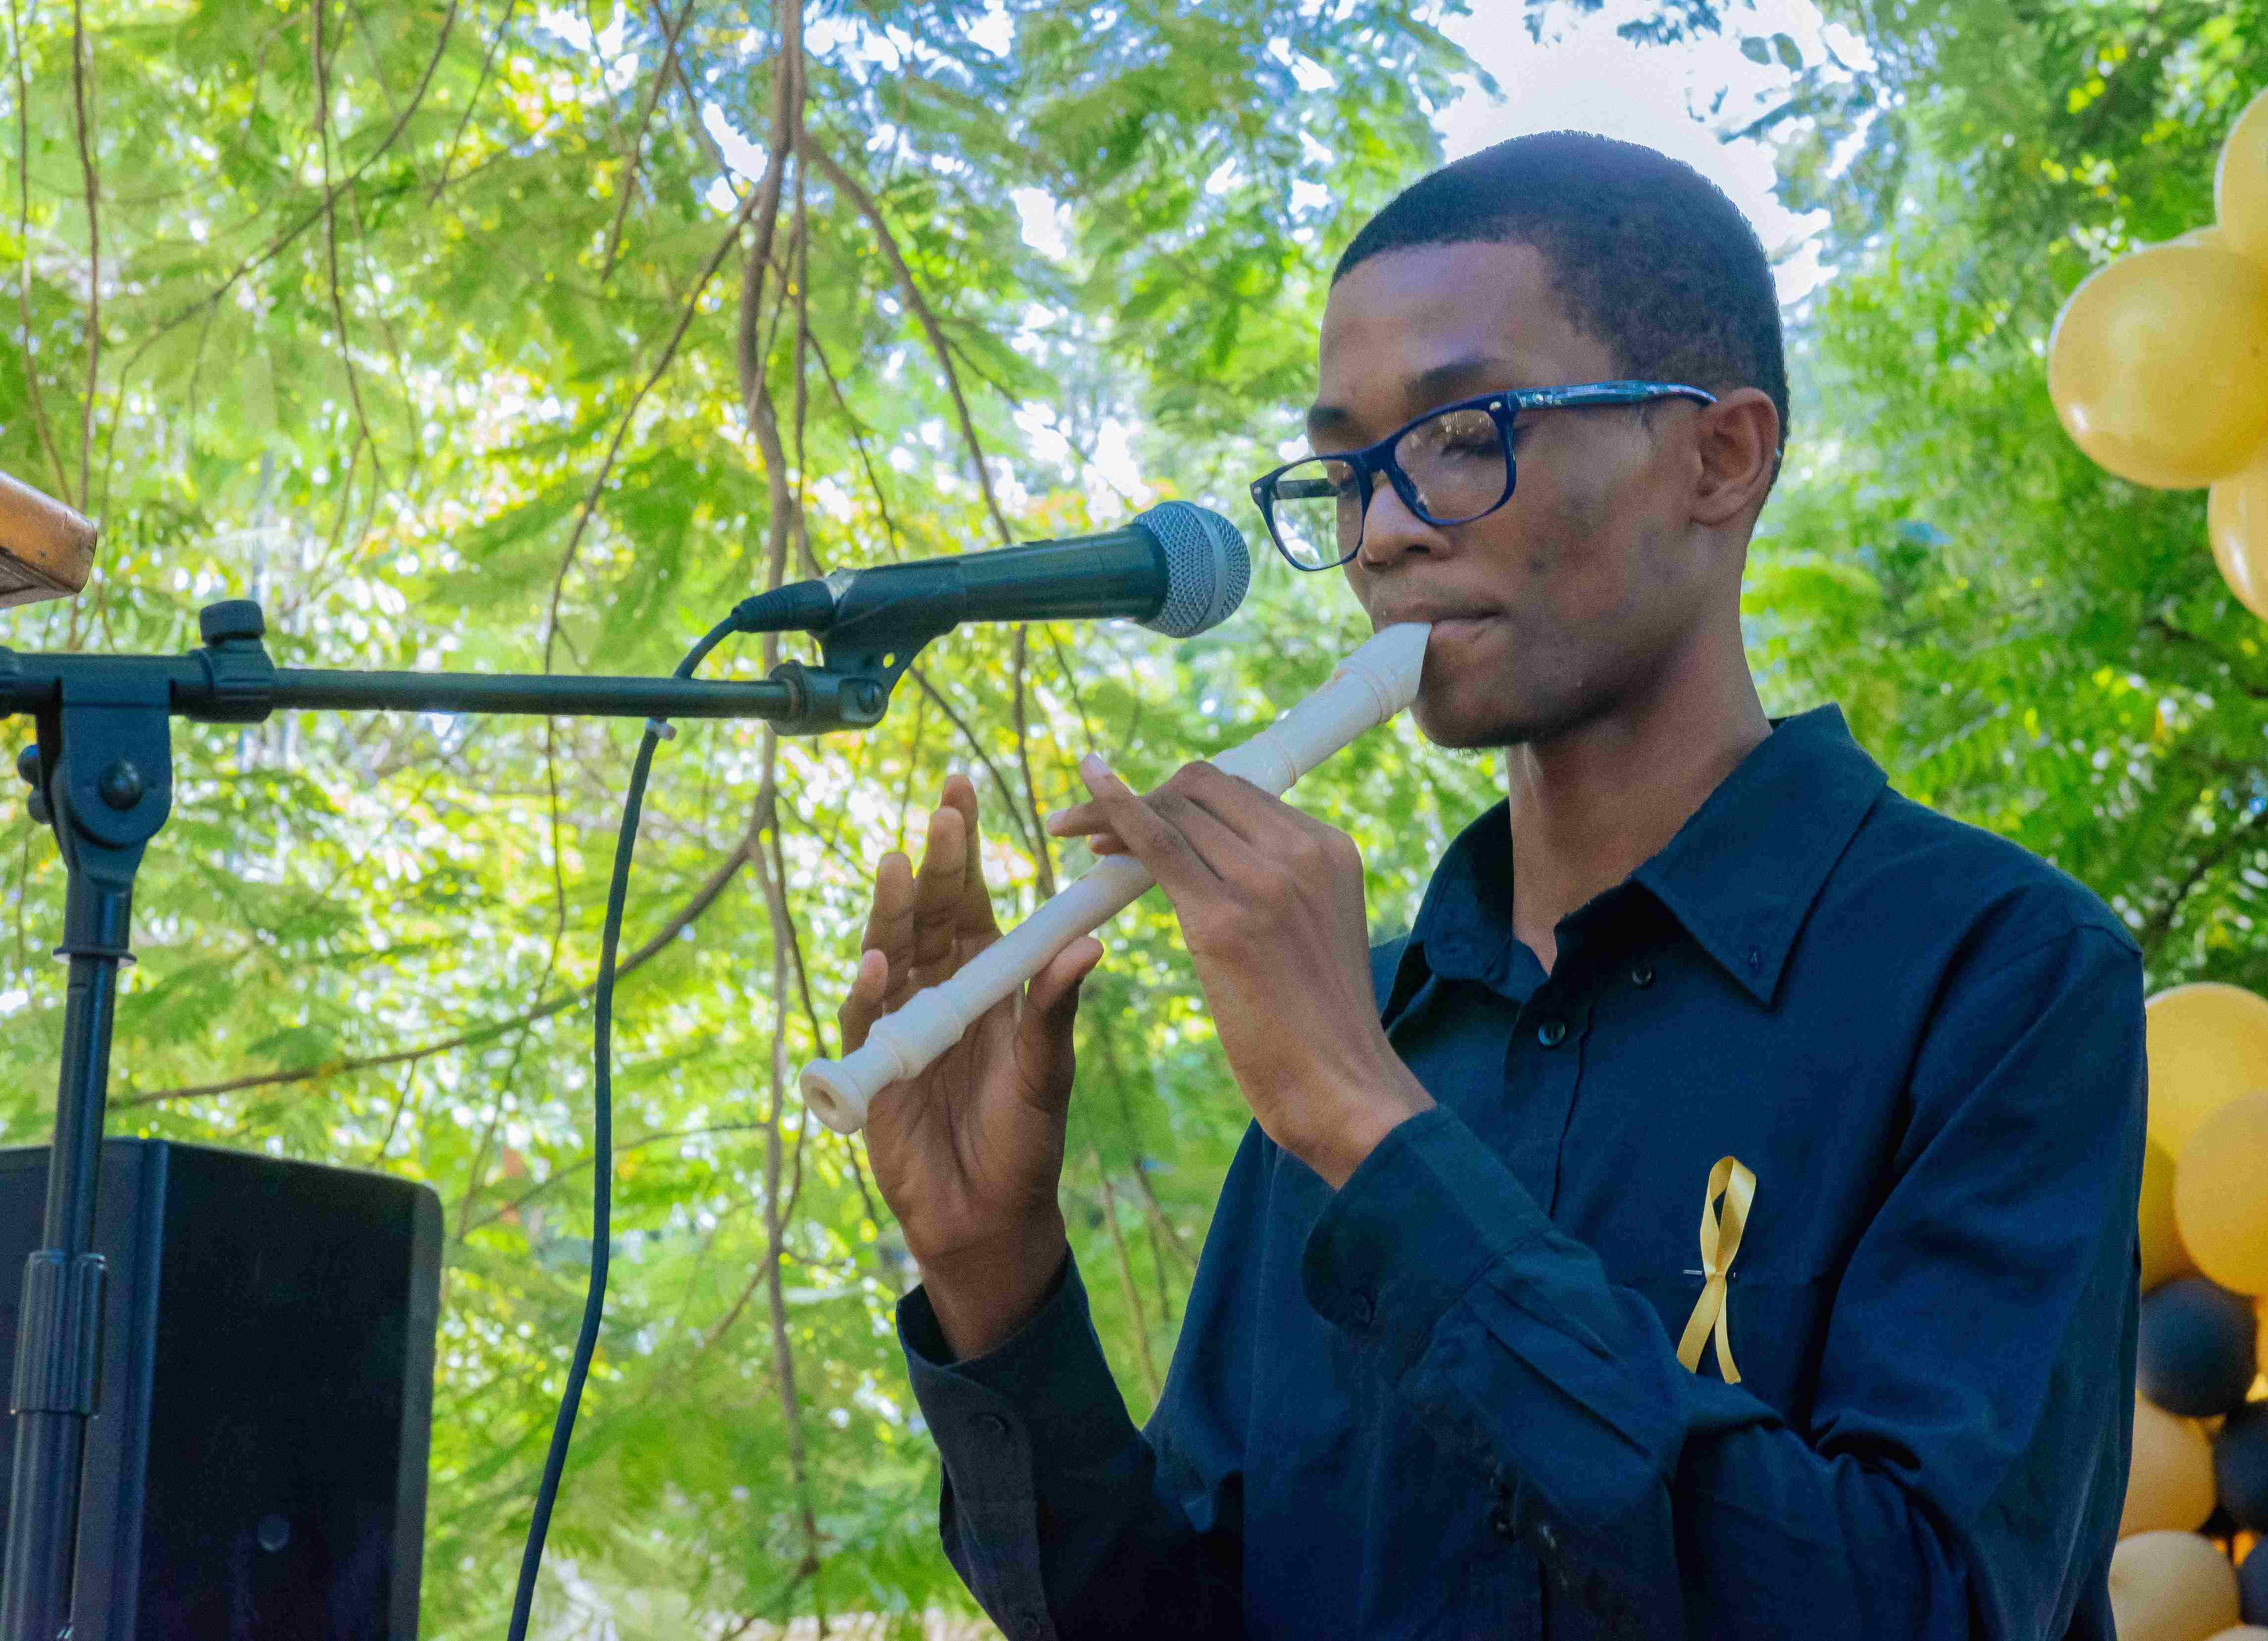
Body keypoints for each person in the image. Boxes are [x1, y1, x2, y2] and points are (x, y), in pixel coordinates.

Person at [833, 131, 2147, 1640]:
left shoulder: (2000, 972)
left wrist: (1372, 1129)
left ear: (1719, 457)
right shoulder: (1365, 1014)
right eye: (1347, 468)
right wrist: (993, 1280)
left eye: (1464, 434)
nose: (1382, 530)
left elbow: (1926, 1608)